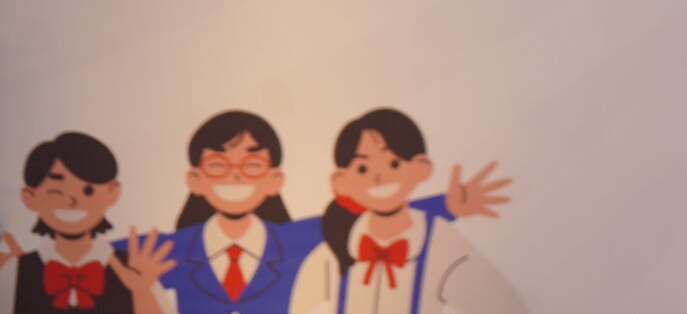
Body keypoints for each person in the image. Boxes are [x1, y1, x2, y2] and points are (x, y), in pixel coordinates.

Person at [147, 113, 503, 314]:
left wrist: (446, 205)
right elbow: (118, 253)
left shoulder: (296, 241)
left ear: (274, 179)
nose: (235, 176)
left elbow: (370, 209)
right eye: (218, 165)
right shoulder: (172, 250)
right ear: (195, 179)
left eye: (252, 165)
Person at [285, 110, 517, 314]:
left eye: (394, 164)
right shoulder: (332, 252)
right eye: (363, 168)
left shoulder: (440, 242)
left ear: (421, 168)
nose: (379, 177)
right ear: (341, 181)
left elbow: (501, 304)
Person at [2, 133, 174, 313]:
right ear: (30, 197)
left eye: (88, 191)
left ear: (113, 192)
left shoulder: (133, 269)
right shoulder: (16, 270)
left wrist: (142, 291)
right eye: (56, 192)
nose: (72, 202)